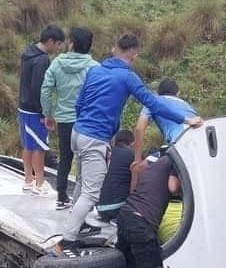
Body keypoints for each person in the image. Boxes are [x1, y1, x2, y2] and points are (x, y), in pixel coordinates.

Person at [60, 34, 202, 246]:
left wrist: (84, 123)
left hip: (77, 132)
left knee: (82, 180)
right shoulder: (128, 77)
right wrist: (185, 119)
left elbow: (79, 103)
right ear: (134, 54)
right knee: (91, 193)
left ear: (113, 49)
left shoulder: (95, 70)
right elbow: (154, 103)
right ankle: (67, 240)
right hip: (95, 137)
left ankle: (76, 223)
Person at [40, 27, 98, 210]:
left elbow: (46, 90)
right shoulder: (95, 68)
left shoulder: (57, 63)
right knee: (84, 160)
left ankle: (61, 196)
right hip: (86, 121)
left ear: (71, 43)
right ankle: (80, 201)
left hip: (64, 120)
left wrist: (48, 113)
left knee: (66, 158)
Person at [19, 25, 65, 196]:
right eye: (58, 44)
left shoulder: (28, 52)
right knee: (39, 147)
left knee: (27, 145)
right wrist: (45, 113)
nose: (59, 48)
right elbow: (39, 89)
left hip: (23, 107)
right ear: (51, 41)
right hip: (35, 110)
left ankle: (28, 181)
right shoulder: (43, 60)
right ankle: (39, 183)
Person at [116, 155, 180, 268]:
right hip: (141, 222)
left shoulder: (159, 158)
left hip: (126, 214)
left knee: (127, 267)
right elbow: (173, 187)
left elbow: (136, 168)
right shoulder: (178, 160)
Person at [133, 78, 197, 164]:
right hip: (197, 145)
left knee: (139, 168)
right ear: (178, 93)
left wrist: (137, 160)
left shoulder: (153, 101)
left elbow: (139, 128)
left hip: (177, 146)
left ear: (158, 93)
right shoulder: (188, 105)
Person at [96, 130, 135, 223]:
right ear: (131, 142)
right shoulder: (132, 155)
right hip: (117, 209)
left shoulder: (108, 153)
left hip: (100, 208)